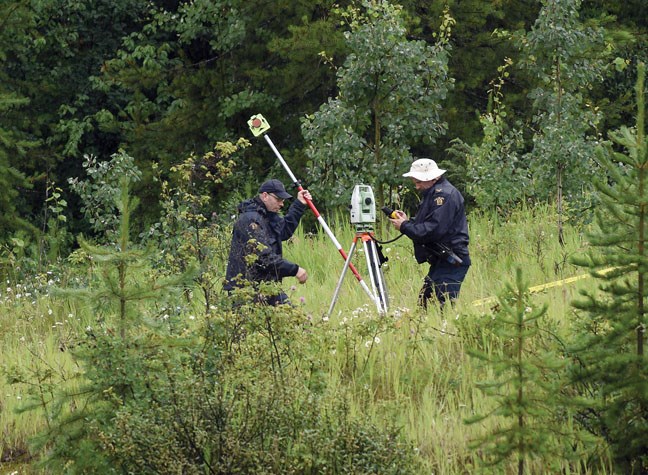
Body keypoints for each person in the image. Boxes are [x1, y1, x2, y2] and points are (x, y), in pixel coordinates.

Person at [388, 158, 470, 309]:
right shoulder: (432, 194)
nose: (417, 186)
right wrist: (408, 222)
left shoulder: (444, 195)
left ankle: (449, 331)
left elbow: (433, 230)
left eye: (419, 182)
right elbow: (427, 224)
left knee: (442, 308)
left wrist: (405, 226)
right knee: (424, 306)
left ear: (433, 178)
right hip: (440, 260)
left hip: (452, 261)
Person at [224, 178, 311, 306]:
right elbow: (264, 257)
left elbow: (284, 230)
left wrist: (299, 204)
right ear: (265, 196)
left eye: (283, 200)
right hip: (246, 290)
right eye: (278, 199)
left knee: (296, 322)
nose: (281, 204)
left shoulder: (266, 216)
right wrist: (295, 270)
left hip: (267, 287)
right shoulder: (250, 220)